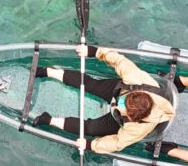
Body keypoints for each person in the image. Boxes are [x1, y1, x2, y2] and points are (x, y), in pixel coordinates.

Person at [31, 44, 176, 154]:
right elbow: (119, 61)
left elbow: (117, 143)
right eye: (123, 102)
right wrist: (95, 52)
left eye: (123, 107)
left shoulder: (137, 129)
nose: (118, 104)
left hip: (118, 120)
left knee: (90, 128)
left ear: (131, 117)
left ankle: (49, 119)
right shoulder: (137, 80)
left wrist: (91, 145)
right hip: (122, 89)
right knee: (90, 84)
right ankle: (46, 71)